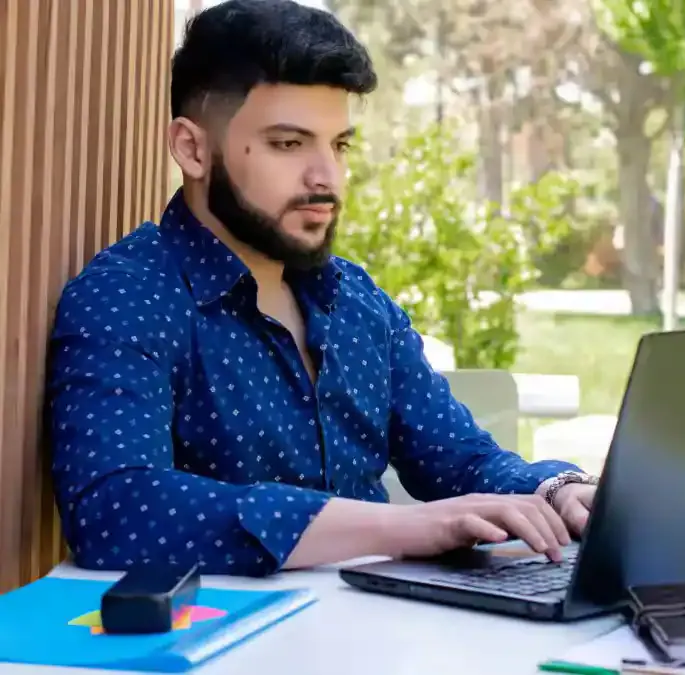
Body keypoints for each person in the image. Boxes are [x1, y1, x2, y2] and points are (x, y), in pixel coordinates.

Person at [45, 0, 596, 578]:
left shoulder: (356, 300)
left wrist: (561, 491)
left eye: (339, 145)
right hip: (218, 652)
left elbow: (461, 460)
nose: (326, 178)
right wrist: (407, 527)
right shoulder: (128, 296)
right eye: (289, 144)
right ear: (193, 149)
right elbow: (116, 511)